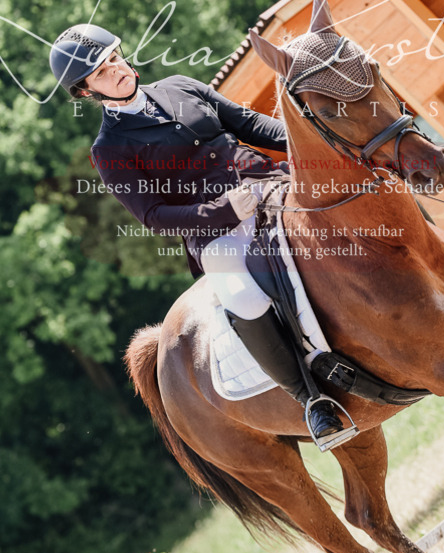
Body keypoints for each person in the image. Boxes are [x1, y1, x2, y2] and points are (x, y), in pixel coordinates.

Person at [49, 23, 346, 449]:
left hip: (271, 184)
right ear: (85, 93)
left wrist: (313, 135)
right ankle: (311, 400)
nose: (115, 69)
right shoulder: (109, 148)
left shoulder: (180, 85)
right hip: (216, 232)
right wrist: (226, 210)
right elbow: (153, 216)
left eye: (113, 57)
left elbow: (249, 125)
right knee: (242, 296)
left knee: (356, 198)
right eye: (100, 72)